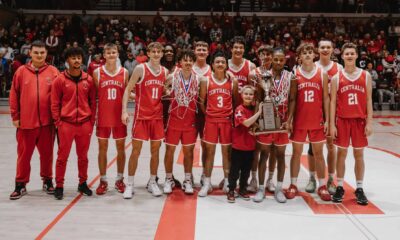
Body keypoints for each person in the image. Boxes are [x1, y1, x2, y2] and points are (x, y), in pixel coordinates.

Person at [9, 40, 59, 200]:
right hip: (26, 123)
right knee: (24, 155)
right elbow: (13, 95)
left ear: (46, 54)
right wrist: (15, 116)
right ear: (30, 53)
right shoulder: (21, 72)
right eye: (36, 52)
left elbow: (60, 96)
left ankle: (47, 180)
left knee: (47, 155)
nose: (39, 55)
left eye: (42, 53)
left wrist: (57, 118)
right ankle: (20, 184)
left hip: (47, 123)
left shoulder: (53, 72)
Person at [122, 42, 168, 199]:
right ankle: (129, 184)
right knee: (136, 151)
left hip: (157, 118)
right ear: (148, 53)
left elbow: (164, 92)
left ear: (162, 54)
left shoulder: (165, 72)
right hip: (141, 117)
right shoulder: (140, 68)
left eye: (159, 51)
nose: (156, 54)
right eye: (153, 51)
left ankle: (153, 181)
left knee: (155, 151)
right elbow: (128, 89)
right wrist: (124, 111)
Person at [286, 43, 331, 202]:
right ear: (299, 57)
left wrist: (327, 120)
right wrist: (289, 120)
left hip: (317, 120)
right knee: (296, 153)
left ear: (314, 55)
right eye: (304, 52)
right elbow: (292, 99)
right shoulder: (294, 74)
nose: (307, 54)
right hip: (299, 120)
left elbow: (326, 98)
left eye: (309, 52)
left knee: (319, 154)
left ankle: (322, 185)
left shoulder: (322, 73)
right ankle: (293, 184)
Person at [51, 47, 97, 200]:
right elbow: (54, 103)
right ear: (67, 60)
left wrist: (91, 121)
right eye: (73, 58)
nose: (76, 60)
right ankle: (59, 185)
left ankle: (82, 183)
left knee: (83, 157)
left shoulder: (88, 80)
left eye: (79, 57)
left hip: (84, 124)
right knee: (62, 156)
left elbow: (92, 102)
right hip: (66, 124)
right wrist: (58, 122)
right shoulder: (60, 80)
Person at [330, 43, 372, 205]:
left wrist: (369, 122)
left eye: (352, 53)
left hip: (359, 121)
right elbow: (333, 102)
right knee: (341, 154)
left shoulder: (365, 75)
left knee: (358, 155)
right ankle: (340, 186)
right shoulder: (336, 77)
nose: (349, 56)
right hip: (342, 120)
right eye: (346, 53)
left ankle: (359, 188)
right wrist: (332, 124)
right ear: (342, 56)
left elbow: (368, 100)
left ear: (356, 56)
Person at [253, 47, 292, 203]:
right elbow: (259, 99)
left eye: (281, 59)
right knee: (264, 155)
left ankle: (279, 188)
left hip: (282, 123)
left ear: (285, 60)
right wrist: (256, 120)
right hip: (267, 121)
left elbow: (293, 100)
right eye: (275, 59)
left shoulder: (291, 77)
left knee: (281, 155)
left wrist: (289, 121)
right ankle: (261, 188)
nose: (277, 62)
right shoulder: (264, 77)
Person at [198, 52, 239, 197]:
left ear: (226, 65)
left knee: (227, 153)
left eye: (223, 62)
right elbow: (201, 102)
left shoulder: (232, 82)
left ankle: (227, 181)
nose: (220, 64)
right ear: (213, 65)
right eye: (217, 62)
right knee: (209, 152)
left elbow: (236, 102)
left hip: (227, 121)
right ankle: (207, 182)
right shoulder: (205, 80)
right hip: (211, 121)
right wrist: (210, 113)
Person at [306, 39, 343, 195]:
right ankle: (312, 178)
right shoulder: (313, 66)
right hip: (315, 111)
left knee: (330, 145)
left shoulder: (339, 68)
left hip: (332, 111)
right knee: (313, 148)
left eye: (328, 47)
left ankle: (331, 179)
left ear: (333, 49)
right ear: (318, 50)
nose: (325, 49)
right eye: (322, 47)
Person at [93, 43, 129, 195]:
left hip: (119, 117)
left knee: (121, 148)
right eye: (108, 53)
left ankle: (119, 179)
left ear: (117, 54)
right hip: (103, 117)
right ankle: (103, 180)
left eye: (113, 52)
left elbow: (127, 93)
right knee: (103, 148)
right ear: (104, 55)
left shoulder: (125, 72)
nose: (111, 55)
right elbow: (95, 95)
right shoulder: (97, 73)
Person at [163, 50, 199, 195]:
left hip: (190, 121)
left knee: (189, 152)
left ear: (194, 62)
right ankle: (168, 178)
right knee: (169, 151)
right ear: (180, 62)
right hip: (174, 121)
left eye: (191, 60)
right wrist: (167, 90)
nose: (188, 63)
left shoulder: (199, 79)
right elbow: (164, 90)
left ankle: (187, 180)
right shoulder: (172, 77)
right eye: (185, 60)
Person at [247, 45, 276, 193]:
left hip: (273, 116)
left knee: (271, 151)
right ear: (259, 56)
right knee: (255, 150)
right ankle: (253, 179)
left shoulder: (277, 73)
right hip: (257, 115)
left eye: (269, 54)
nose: (266, 57)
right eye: (263, 54)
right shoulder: (253, 74)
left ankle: (270, 180)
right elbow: (252, 96)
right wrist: (254, 119)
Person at [227, 85, 262, 203]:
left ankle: (242, 189)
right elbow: (246, 123)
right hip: (238, 146)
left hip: (250, 146)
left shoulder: (254, 109)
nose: (248, 96)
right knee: (235, 170)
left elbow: (256, 125)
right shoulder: (239, 109)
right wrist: (259, 113)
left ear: (254, 97)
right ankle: (231, 189)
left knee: (246, 170)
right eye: (246, 94)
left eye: (251, 94)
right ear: (241, 95)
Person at [192, 41, 212, 186]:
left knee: (206, 146)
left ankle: (205, 175)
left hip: (206, 114)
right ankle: (189, 175)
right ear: (194, 51)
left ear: (208, 52)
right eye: (199, 49)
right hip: (191, 112)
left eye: (204, 49)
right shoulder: (186, 68)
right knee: (189, 146)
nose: (201, 51)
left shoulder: (213, 69)